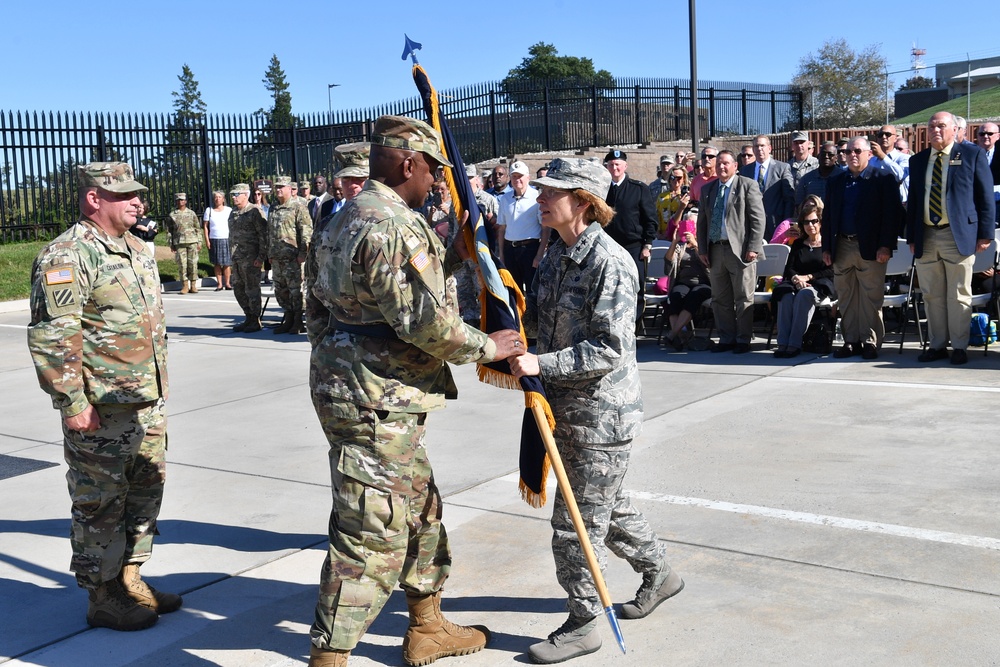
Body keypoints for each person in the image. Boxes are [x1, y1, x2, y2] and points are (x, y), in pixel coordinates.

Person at [306, 115, 523, 667]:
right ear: (408, 164)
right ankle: (329, 657)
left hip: (369, 389)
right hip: (376, 396)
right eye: (433, 170)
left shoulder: (346, 216)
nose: (437, 182)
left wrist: (455, 251)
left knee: (421, 508)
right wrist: (490, 347)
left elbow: (329, 306)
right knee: (370, 531)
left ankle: (426, 626)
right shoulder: (389, 224)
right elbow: (423, 322)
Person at [509, 157, 683, 664]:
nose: (540, 198)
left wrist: (539, 361)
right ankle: (662, 575)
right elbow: (539, 321)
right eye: (539, 190)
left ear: (583, 201)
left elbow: (609, 349)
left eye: (552, 192)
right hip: (565, 407)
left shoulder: (610, 261)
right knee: (608, 506)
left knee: (576, 520)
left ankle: (584, 621)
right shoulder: (558, 256)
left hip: (602, 414)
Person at [26, 161, 180, 632]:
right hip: (102, 409)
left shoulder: (135, 248)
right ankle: (101, 595)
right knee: (100, 503)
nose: (139, 201)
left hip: (145, 401)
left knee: (144, 493)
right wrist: (73, 403)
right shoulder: (69, 255)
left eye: (139, 194)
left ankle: (130, 577)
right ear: (94, 198)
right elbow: (54, 335)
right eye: (126, 195)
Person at [906, 111, 995, 365]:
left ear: (955, 129)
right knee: (932, 294)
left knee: (958, 293)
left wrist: (985, 234)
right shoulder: (919, 160)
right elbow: (913, 201)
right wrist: (912, 235)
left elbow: (985, 197)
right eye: (932, 126)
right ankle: (936, 345)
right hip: (926, 234)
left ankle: (959, 346)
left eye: (941, 126)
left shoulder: (971, 154)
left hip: (957, 234)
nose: (936, 130)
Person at [822, 137, 903, 360]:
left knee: (870, 297)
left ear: (869, 153)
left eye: (857, 151)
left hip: (871, 247)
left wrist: (886, 245)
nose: (852, 155)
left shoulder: (883, 179)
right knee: (846, 297)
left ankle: (870, 341)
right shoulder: (836, 181)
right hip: (842, 246)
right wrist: (827, 247)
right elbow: (828, 217)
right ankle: (850, 341)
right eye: (848, 152)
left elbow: (893, 216)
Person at [697, 149, 766, 353]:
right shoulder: (707, 189)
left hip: (741, 251)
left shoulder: (747, 185)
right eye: (718, 163)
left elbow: (758, 219)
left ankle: (743, 339)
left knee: (743, 297)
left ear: (735, 166)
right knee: (720, 298)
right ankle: (726, 338)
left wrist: (754, 247)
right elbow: (702, 222)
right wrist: (702, 249)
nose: (721, 167)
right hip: (715, 250)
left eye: (726, 163)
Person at [772, 196, 835, 358]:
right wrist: (795, 278)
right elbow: (790, 268)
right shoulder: (799, 244)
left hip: (820, 285)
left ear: (820, 222)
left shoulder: (829, 244)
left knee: (803, 295)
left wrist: (808, 277)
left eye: (814, 221)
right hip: (796, 283)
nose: (810, 225)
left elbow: (831, 270)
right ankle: (782, 343)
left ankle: (794, 344)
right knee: (785, 296)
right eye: (806, 222)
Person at [603, 149, 658, 326]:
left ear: (625, 166)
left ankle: (633, 328)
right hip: (609, 247)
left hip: (634, 247)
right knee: (610, 289)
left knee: (635, 288)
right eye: (611, 165)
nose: (614, 168)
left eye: (618, 164)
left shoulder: (638, 188)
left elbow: (650, 218)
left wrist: (647, 244)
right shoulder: (602, 189)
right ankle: (613, 326)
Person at [267, 176, 312, 335]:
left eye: (282, 187)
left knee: (296, 290)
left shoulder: (298, 207)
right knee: (280, 289)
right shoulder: (273, 208)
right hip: (277, 257)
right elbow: (270, 232)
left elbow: (306, 231)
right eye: (277, 187)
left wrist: (303, 253)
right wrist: (270, 253)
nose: (278, 190)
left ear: (289, 189)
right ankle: (288, 318)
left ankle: (298, 321)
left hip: (293, 257)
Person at [497, 160, 549, 296]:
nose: (517, 180)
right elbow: (502, 228)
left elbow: (545, 229)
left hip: (529, 249)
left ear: (528, 177)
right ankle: (518, 318)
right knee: (513, 291)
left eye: (520, 176)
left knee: (533, 291)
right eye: (514, 176)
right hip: (510, 250)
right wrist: (502, 255)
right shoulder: (505, 199)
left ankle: (532, 317)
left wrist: (539, 255)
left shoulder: (536, 197)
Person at [661, 213, 710, 351]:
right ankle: (681, 336)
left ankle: (672, 335)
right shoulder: (680, 246)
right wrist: (674, 241)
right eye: (686, 224)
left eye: (692, 224)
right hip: (683, 282)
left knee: (694, 296)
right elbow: (668, 264)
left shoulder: (705, 243)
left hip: (703, 283)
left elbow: (710, 265)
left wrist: (695, 245)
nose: (689, 227)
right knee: (675, 296)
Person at [228, 183, 268, 332]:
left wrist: (261, 257)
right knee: (238, 289)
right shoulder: (233, 212)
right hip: (236, 258)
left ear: (245, 195)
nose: (233, 197)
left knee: (252, 290)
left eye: (236, 194)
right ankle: (248, 316)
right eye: (232, 194)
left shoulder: (254, 211)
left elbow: (263, 236)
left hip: (251, 258)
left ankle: (255, 320)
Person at [741, 135, 794, 240]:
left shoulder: (782, 168)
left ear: (769, 148)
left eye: (762, 145)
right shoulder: (744, 171)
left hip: (775, 224)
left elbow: (789, 199)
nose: (759, 149)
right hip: (751, 225)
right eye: (756, 146)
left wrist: (785, 223)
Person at [166, 192, 202, 294]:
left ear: (185, 201)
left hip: (192, 241)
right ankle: (185, 285)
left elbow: (197, 228)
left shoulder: (191, 213)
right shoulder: (172, 215)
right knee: (182, 264)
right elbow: (169, 231)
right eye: (178, 200)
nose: (180, 202)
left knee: (193, 263)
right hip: (179, 242)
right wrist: (171, 243)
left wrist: (199, 241)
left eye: (182, 200)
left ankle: (193, 285)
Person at [869, 125, 909, 206]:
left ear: (895, 138)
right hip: (876, 205)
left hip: (898, 205)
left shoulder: (905, 158)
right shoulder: (872, 161)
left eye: (888, 134)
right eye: (880, 135)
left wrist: (882, 156)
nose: (884, 137)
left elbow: (900, 176)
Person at [796, 141, 843, 207]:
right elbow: (799, 204)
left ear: (836, 158)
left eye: (830, 154)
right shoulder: (806, 179)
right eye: (823, 154)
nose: (826, 157)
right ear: (818, 156)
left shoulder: (843, 177)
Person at [203, 190, 233, 291]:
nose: (217, 199)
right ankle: (219, 284)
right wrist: (207, 240)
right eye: (216, 197)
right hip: (214, 239)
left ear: (223, 199)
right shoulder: (209, 210)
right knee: (216, 263)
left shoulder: (229, 210)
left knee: (227, 263)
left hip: (226, 238)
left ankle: (228, 283)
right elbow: (206, 226)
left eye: (220, 197)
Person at [654, 165, 691, 241]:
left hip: (680, 236)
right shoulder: (662, 196)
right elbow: (657, 216)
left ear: (683, 179)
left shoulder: (686, 196)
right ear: (669, 179)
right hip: (663, 236)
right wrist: (658, 234)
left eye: (679, 178)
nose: (676, 180)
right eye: (673, 177)